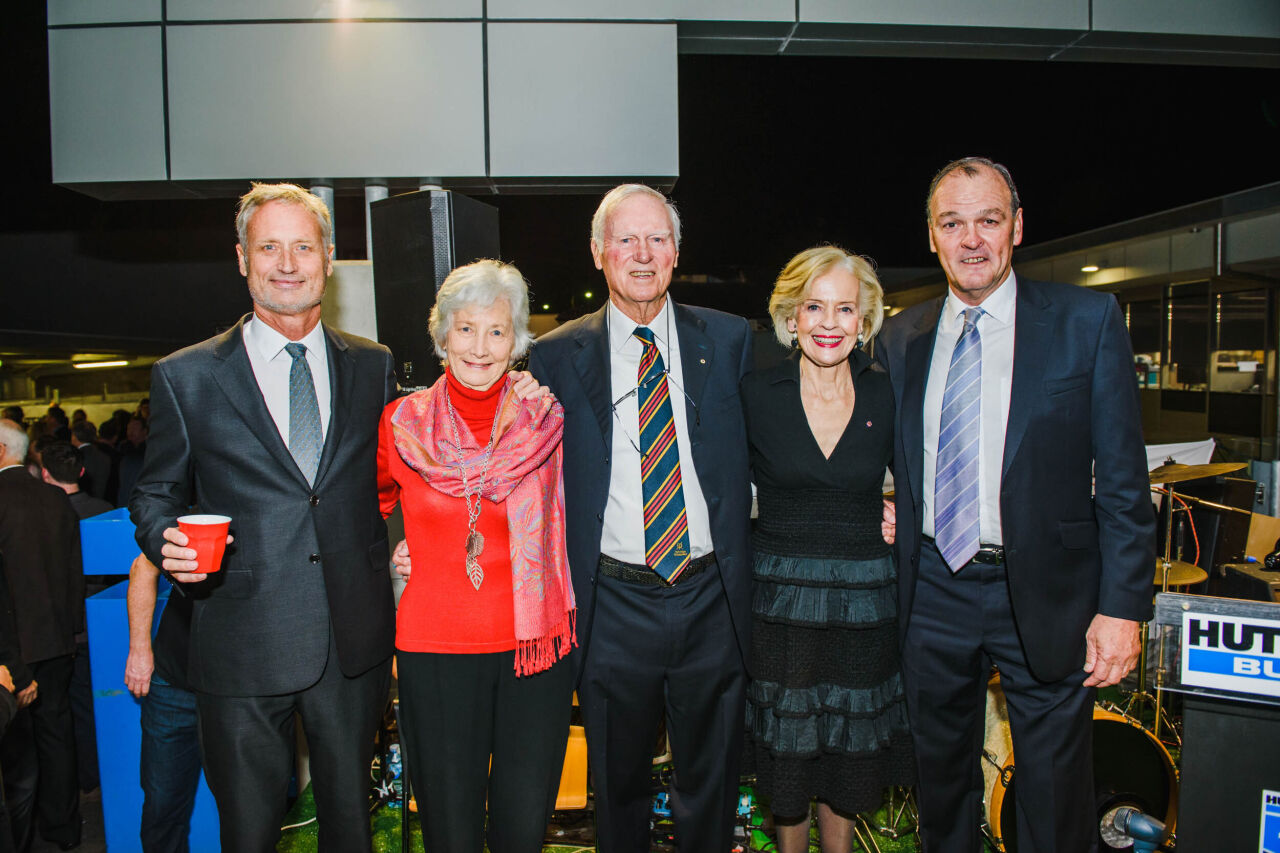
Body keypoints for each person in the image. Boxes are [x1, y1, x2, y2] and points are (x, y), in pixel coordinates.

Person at [875, 157, 1155, 852]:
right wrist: (888, 507)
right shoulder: (900, 337)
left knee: (1055, 791)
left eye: (988, 220)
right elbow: (886, 456)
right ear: (932, 237)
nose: (972, 239)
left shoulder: (1085, 320)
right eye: (953, 223)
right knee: (940, 784)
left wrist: (1122, 608)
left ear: (1018, 227)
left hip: (1050, 590)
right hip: (934, 586)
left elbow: (1123, 477)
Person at [129, 182, 400, 852]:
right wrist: (168, 542)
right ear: (243, 260)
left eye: (303, 246)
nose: (288, 262)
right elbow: (155, 491)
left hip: (352, 640)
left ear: (328, 258)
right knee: (247, 833)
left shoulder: (373, 365)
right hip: (239, 640)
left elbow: (397, 476)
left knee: (353, 829)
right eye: (269, 246)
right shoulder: (185, 376)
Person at [526, 184, 753, 851]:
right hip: (613, 603)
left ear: (677, 252)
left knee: (709, 784)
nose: (643, 253)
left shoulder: (734, 341)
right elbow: (524, 469)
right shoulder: (556, 355)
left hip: (712, 596)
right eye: (626, 238)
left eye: (658, 238)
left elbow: (782, 447)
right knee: (617, 786)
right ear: (599, 252)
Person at [379, 259, 575, 851]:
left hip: (534, 657)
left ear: (517, 341)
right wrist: (396, 548)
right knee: (451, 833)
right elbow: (361, 513)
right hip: (434, 653)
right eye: (466, 329)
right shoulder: (400, 424)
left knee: (522, 831)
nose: (481, 347)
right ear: (442, 336)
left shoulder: (547, 420)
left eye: (497, 331)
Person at [742, 247, 913, 850]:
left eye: (846, 309)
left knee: (848, 747)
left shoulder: (888, 396)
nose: (829, 322)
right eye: (815, 306)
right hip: (780, 603)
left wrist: (898, 512)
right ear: (791, 317)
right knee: (790, 751)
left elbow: (920, 482)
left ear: (865, 322)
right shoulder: (754, 393)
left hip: (865, 601)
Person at [0, 419, 84, 851]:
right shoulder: (55, 499)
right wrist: (70, 634)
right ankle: (65, 828)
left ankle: (21, 837)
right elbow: (73, 574)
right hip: (55, 640)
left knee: (14, 750)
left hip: (8, 649)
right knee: (56, 734)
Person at [40, 442, 113, 794]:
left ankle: (83, 778)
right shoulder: (106, 510)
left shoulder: (42, 515)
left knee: (66, 711)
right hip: (105, 625)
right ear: (82, 472)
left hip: (61, 629)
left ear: (44, 474)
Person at [124, 552, 202, 853]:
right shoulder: (199, 517)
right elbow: (144, 565)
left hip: (241, 691)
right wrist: (139, 651)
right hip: (174, 682)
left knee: (249, 809)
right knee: (162, 805)